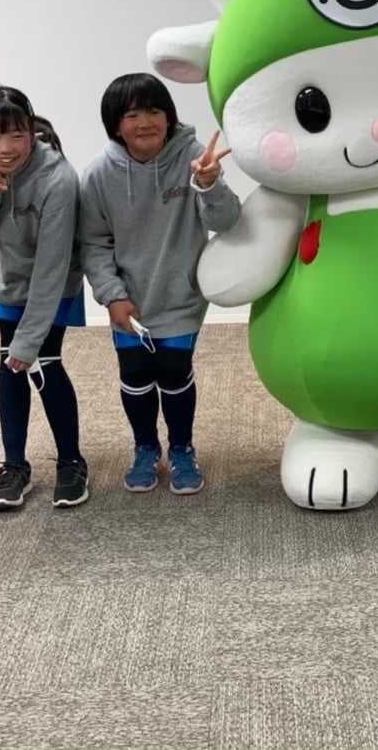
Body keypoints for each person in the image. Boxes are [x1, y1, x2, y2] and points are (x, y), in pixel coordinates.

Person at [80, 73, 241, 495]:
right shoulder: (99, 175)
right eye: (132, 115)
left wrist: (209, 184)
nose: (145, 122)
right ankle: (146, 448)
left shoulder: (193, 157)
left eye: (154, 111)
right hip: (129, 301)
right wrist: (112, 296)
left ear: (169, 117)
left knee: (174, 371)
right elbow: (93, 244)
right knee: (135, 374)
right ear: (116, 125)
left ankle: (182, 449)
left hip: (181, 294)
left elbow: (226, 221)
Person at [0, 86, 88, 511]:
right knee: (9, 362)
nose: (6, 149)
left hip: (57, 277)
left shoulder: (58, 178)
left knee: (43, 358)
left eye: (17, 136)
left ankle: (71, 462)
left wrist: (28, 340)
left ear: (32, 132)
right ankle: (14, 466)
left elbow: (51, 266)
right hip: (9, 275)